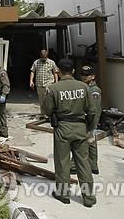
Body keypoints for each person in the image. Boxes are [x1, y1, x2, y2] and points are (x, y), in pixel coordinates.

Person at [43, 58, 99, 208]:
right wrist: (89, 129)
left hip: (62, 128)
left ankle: (63, 194)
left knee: (62, 162)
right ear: (73, 71)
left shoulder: (53, 88)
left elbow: (47, 110)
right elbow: (92, 111)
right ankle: (88, 198)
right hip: (80, 127)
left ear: (59, 72)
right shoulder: (84, 87)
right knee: (83, 163)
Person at [71, 65, 102, 175]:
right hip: (84, 120)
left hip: (89, 121)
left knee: (79, 143)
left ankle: (74, 166)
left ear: (93, 76)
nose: (84, 77)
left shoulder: (94, 91)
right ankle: (93, 166)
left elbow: (95, 110)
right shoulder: (83, 88)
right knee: (91, 143)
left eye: (87, 75)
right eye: (82, 74)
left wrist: (92, 126)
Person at [30, 50, 59, 116]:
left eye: (44, 57)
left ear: (47, 56)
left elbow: (55, 72)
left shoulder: (51, 62)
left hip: (49, 83)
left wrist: (56, 82)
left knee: (49, 100)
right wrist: (31, 81)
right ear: (40, 56)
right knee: (41, 100)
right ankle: (43, 114)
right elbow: (32, 71)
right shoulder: (36, 62)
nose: (43, 59)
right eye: (42, 57)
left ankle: (50, 114)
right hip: (39, 84)